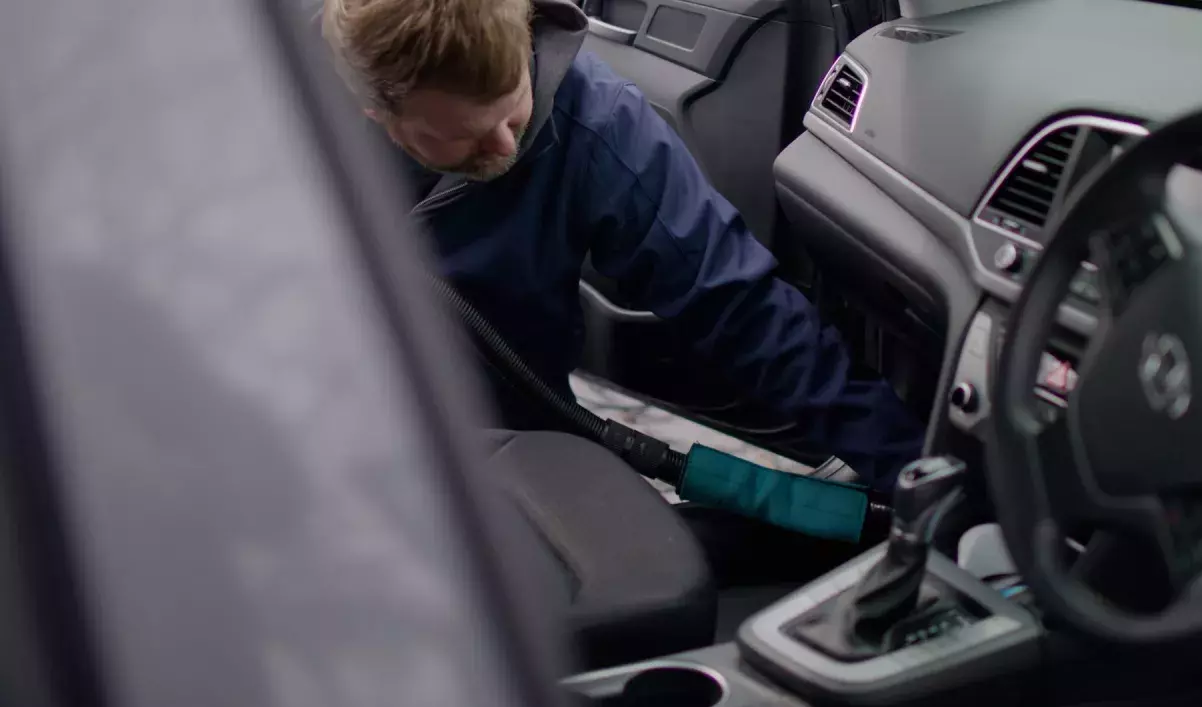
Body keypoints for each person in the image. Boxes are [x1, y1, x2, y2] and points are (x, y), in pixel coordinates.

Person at [319, 0, 924, 493]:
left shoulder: (596, 119)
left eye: (514, 110)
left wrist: (913, 472)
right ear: (374, 112)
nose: (505, 146)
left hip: (515, 447)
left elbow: (738, 304)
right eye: (466, 138)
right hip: (326, 437)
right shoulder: (275, 116)